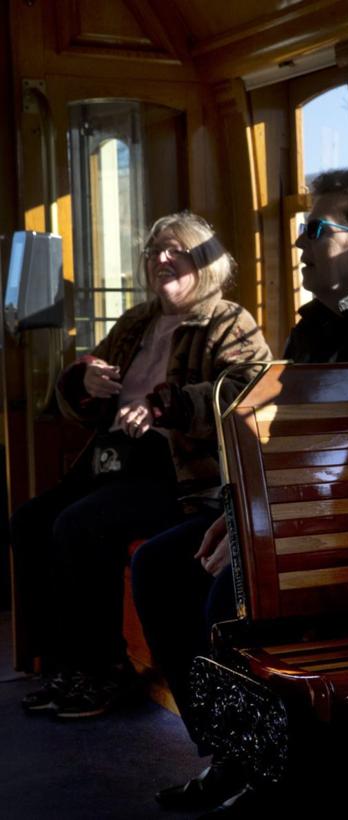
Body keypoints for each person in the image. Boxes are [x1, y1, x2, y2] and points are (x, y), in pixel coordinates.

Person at [130, 168, 348, 814]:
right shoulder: (314, 324)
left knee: (221, 596)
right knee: (156, 565)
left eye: (316, 230)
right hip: (293, 518)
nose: (299, 245)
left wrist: (267, 536)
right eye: (300, 229)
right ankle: (228, 752)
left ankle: (269, 772)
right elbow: (280, 445)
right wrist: (239, 516)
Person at [10, 211, 270, 720]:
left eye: (175, 250)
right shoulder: (136, 322)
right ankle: (64, 666)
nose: (161, 259)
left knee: (78, 526)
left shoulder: (228, 320)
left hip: (176, 472)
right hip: (111, 461)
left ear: (206, 263)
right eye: (154, 252)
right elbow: (81, 384)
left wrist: (166, 406)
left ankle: (105, 669)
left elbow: (245, 390)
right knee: (29, 522)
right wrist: (82, 382)